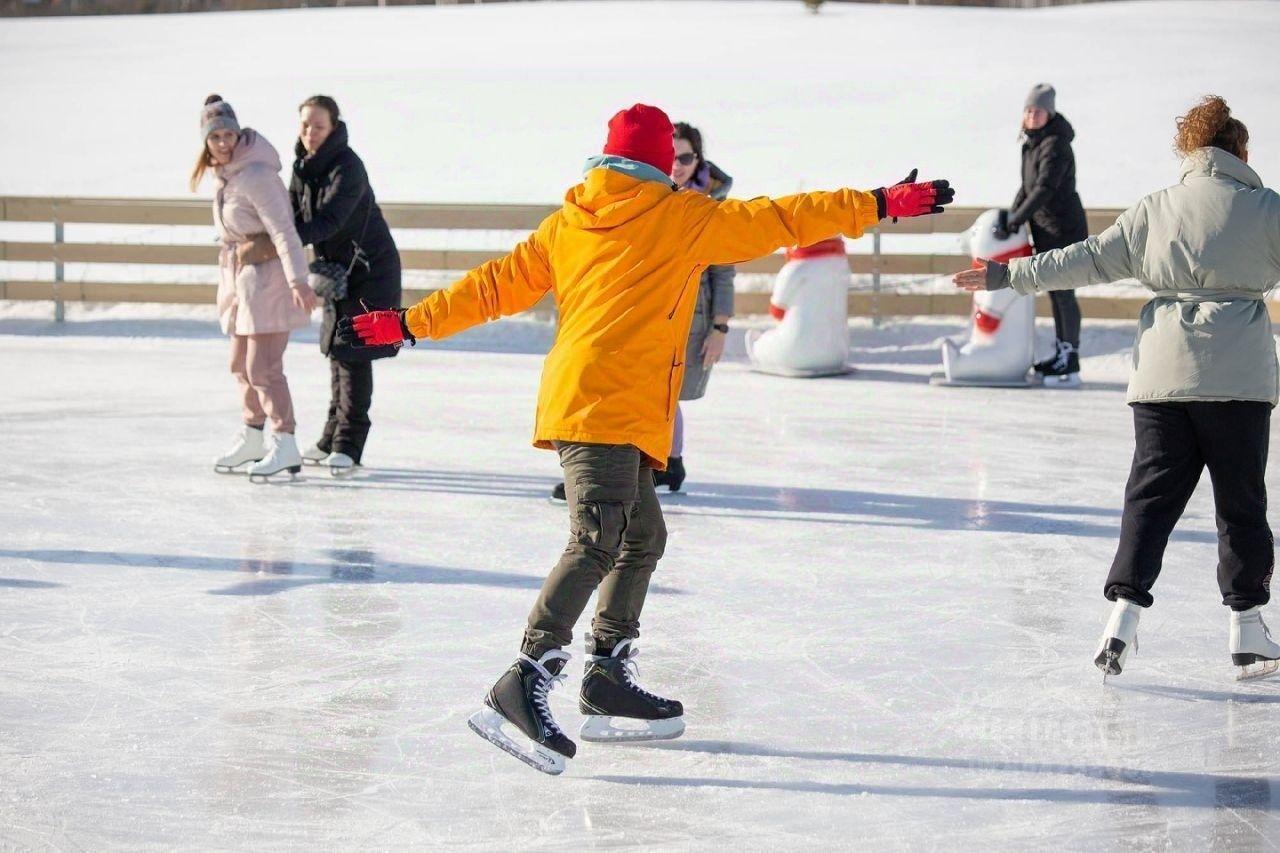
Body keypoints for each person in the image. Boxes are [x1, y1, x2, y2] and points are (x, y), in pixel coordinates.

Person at [344, 104, 953, 774]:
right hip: (606, 407)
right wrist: (874, 203)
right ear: (664, 162)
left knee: (642, 534)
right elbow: (783, 217)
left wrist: (410, 323)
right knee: (597, 535)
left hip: (604, 403)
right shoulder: (681, 216)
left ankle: (605, 676)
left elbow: (492, 286)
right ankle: (523, 679)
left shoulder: (569, 220)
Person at [955, 95, 1280, 682]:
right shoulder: (1266, 210)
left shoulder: (1155, 209)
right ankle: (1248, 630)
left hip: (1161, 382)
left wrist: (1010, 273)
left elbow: (1085, 260)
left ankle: (1120, 623)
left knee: (1148, 503)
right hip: (1238, 384)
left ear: (1191, 149)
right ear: (1239, 150)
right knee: (1241, 508)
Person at [548, 120, 734, 501]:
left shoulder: (706, 207)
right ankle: (634, 468)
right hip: (648, 311)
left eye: (686, 157)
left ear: (698, 159)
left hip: (692, 317)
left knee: (669, 393)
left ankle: (664, 464)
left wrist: (720, 327)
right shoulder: (645, 198)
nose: (679, 165)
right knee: (638, 391)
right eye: (673, 156)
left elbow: (724, 273)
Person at [196, 95, 316, 483]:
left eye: (229, 134)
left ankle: (285, 442)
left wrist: (298, 280)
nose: (223, 143)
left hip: (272, 282)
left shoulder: (257, 175)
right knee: (240, 366)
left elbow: (284, 230)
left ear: (239, 133)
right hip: (245, 284)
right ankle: (252, 436)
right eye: (216, 137)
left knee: (262, 368)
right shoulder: (228, 176)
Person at [996, 84, 1089, 387]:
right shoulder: (1032, 144)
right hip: (1045, 227)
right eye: (1028, 110)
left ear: (1049, 114)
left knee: (1064, 293)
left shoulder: (1055, 144)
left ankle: (1070, 357)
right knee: (1054, 290)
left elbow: (1044, 189)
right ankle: (1062, 353)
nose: (1032, 115)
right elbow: (1026, 188)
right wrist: (1012, 217)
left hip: (1062, 227)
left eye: (1037, 111)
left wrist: (1018, 218)